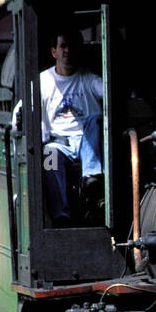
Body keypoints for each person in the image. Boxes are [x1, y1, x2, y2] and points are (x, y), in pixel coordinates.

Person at [39, 30, 104, 226]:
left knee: (96, 119)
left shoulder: (88, 79)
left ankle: (91, 177)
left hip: (87, 143)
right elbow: (22, 110)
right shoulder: (43, 82)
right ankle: (60, 216)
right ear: (54, 52)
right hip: (59, 144)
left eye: (72, 46)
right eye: (63, 46)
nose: (67, 51)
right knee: (49, 157)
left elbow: (105, 89)